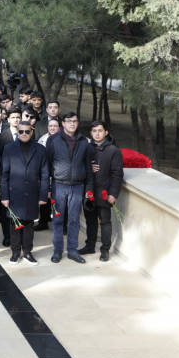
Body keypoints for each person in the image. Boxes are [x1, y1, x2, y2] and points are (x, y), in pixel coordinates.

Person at [45, 112, 94, 264]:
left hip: (78, 185)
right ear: (63, 123)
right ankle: (58, 250)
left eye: (75, 121)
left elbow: (88, 166)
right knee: (58, 219)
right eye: (69, 121)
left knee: (74, 220)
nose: (72, 124)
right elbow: (47, 164)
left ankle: (72, 250)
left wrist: (89, 188)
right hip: (59, 184)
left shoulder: (84, 141)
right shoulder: (53, 140)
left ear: (78, 123)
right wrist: (47, 187)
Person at [0, 121, 49, 265]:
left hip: (32, 191)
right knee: (14, 222)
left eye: (27, 131)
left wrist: (43, 195)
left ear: (32, 132)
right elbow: (4, 174)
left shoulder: (40, 149)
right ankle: (15, 252)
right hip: (14, 191)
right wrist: (4, 196)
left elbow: (45, 174)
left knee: (29, 223)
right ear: (17, 132)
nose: (24, 134)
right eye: (21, 131)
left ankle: (27, 252)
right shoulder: (9, 148)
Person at [80, 121, 123, 262]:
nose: (97, 133)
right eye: (94, 131)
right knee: (90, 221)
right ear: (91, 133)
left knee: (105, 222)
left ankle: (105, 250)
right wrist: (88, 166)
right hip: (89, 191)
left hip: (104, 192)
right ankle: (90, 246)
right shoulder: (87, 148)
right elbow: (79, 165)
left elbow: (117, 174)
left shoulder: (113, 150)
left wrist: (113, 194)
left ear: (106, 132)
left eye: (100, 131)